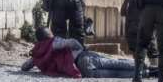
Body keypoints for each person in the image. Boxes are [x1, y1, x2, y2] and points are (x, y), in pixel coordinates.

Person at [21, 27, 155, 78]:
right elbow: (72, 42)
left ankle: (146, 74)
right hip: (83, 58)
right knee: (117, 63)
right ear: (49, 34)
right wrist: (81, 48)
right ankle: (149, 67)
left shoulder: (38, 54)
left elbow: (25, 66)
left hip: (84, 71)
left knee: (116, 73)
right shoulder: (54, 42)